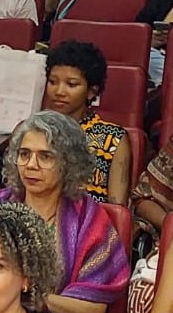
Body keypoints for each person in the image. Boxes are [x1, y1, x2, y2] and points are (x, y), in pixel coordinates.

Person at [0, 111, 128, 313]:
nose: (31, 165)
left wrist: (29, 298)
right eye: (24, 154)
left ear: (69, 163)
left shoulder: (90, 220)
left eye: (45, 157)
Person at [43, 40, 131, 205]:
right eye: (53, 82)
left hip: (92, 219)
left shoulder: (113, 138)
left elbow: (116, 208)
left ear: (91, 91)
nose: (59, 91)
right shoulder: (33, 130)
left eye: (71, 84)